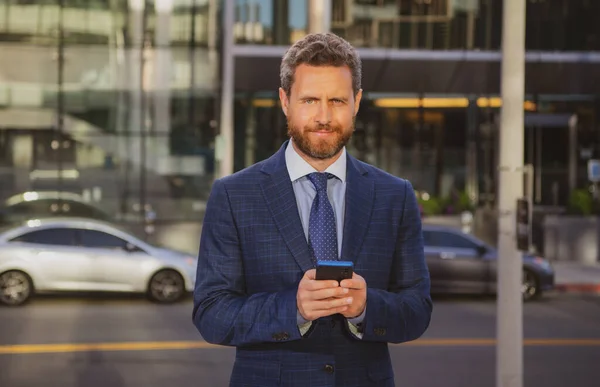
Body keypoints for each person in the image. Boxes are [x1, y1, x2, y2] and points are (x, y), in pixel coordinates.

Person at [193, 32, 432, 387]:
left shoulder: (394, 195)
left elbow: (417, 309)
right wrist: (293, 309)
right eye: (309, 100)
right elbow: (211, 313)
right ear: (285, 101)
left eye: (336, 100)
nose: (323, 116)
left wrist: (367, 309)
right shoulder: (233, 194)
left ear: (357, 102)